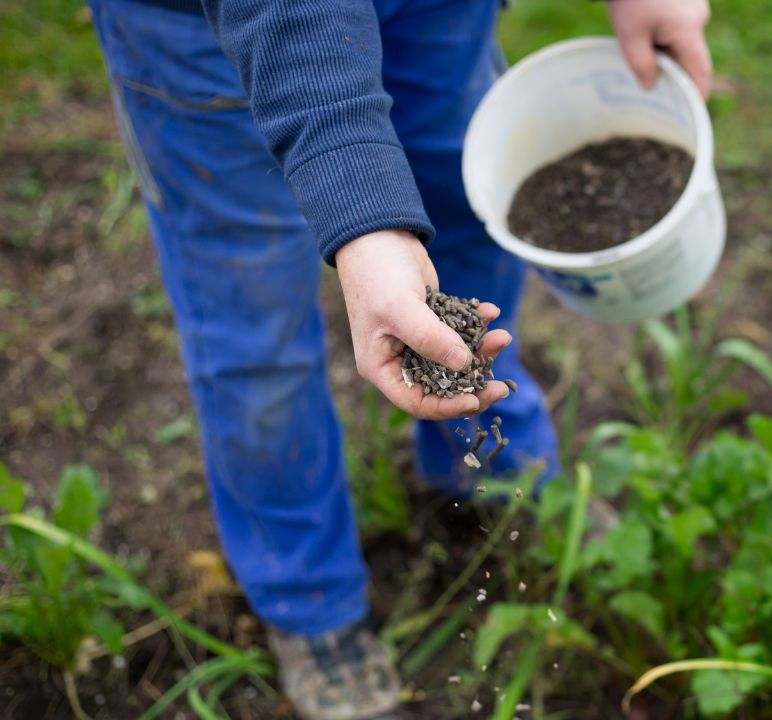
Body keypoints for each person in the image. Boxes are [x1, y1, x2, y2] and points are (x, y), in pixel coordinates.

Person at [87, 0, 711, 716]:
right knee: (252, 321)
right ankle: (308, 598)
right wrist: (363, 212)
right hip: (207, 25)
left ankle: (483, 465)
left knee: (471, 209)